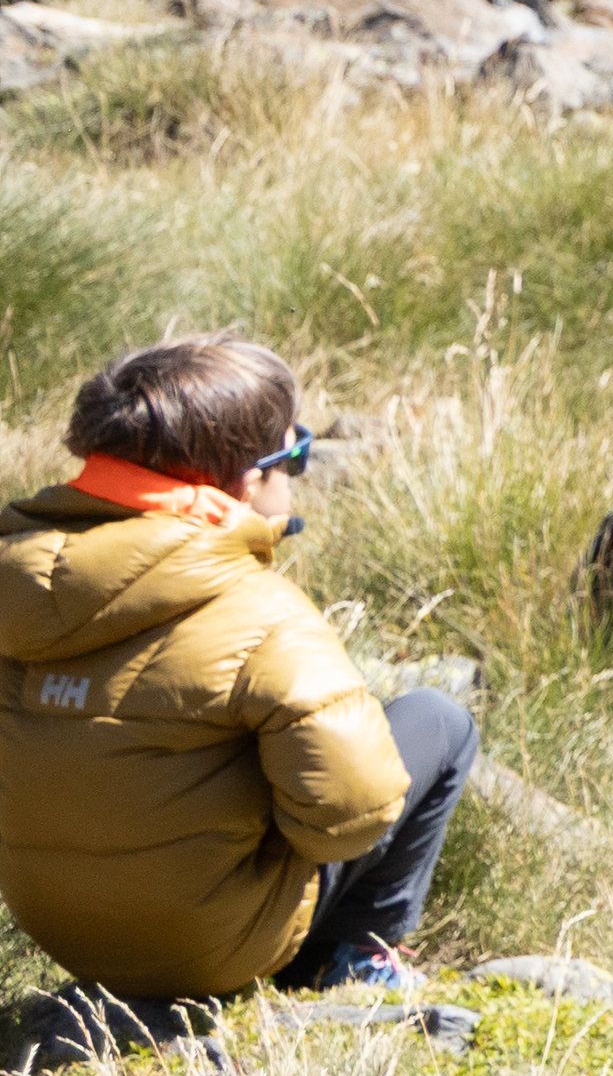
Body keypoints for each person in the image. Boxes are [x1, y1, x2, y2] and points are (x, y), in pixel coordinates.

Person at [0, 337, 465, 1009]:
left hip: (57, 929)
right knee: (440, 720)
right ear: (251, 477)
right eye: (295, 454)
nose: (297, 472)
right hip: (211, 950)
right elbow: (351, 818)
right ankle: (357, 958)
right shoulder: (264, 612)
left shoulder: (14, 581)